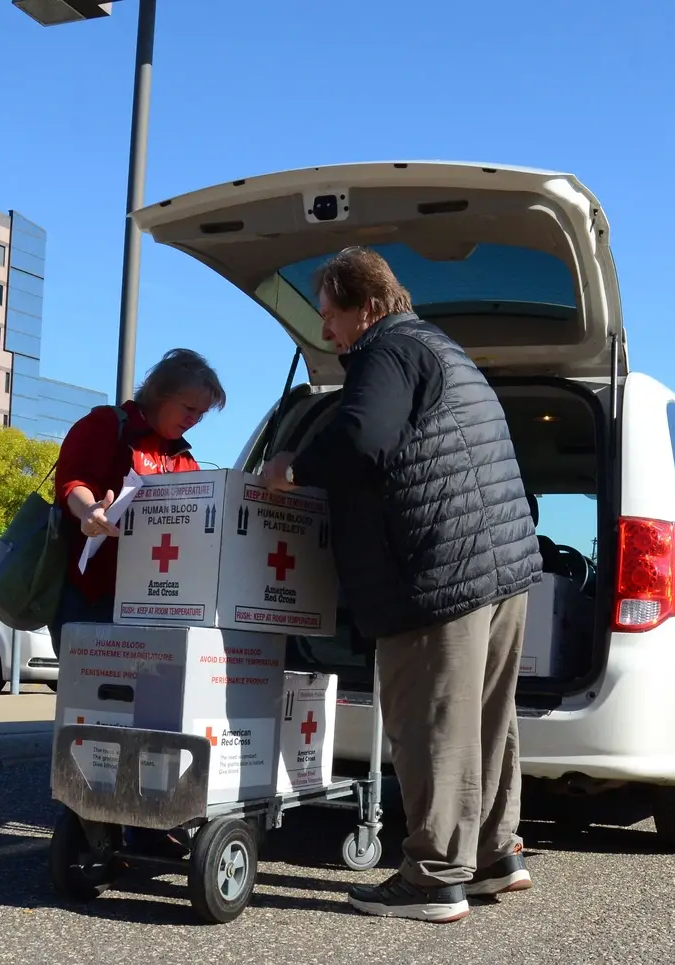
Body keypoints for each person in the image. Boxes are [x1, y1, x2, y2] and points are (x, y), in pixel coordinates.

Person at [262, 247, 543, 923]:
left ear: (368, 306)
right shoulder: (443, 349)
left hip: (435, 569)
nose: (326, 332)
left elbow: (363, 438)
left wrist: (293, 472)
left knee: (432, 721)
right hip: (500, 563)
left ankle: (435, 877)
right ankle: (493, 854)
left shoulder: (387, 351)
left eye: (330, 316)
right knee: (485, 716)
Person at [48, 348, 225, 654]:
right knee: (91, 698)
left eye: (201, 413)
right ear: (159, 394)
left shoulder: (185, 460)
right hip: (90, 599)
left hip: (155, 608)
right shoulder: (105, 426)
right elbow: (73, 482)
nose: (194, 419)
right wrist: (89, 511)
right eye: (188, 407)